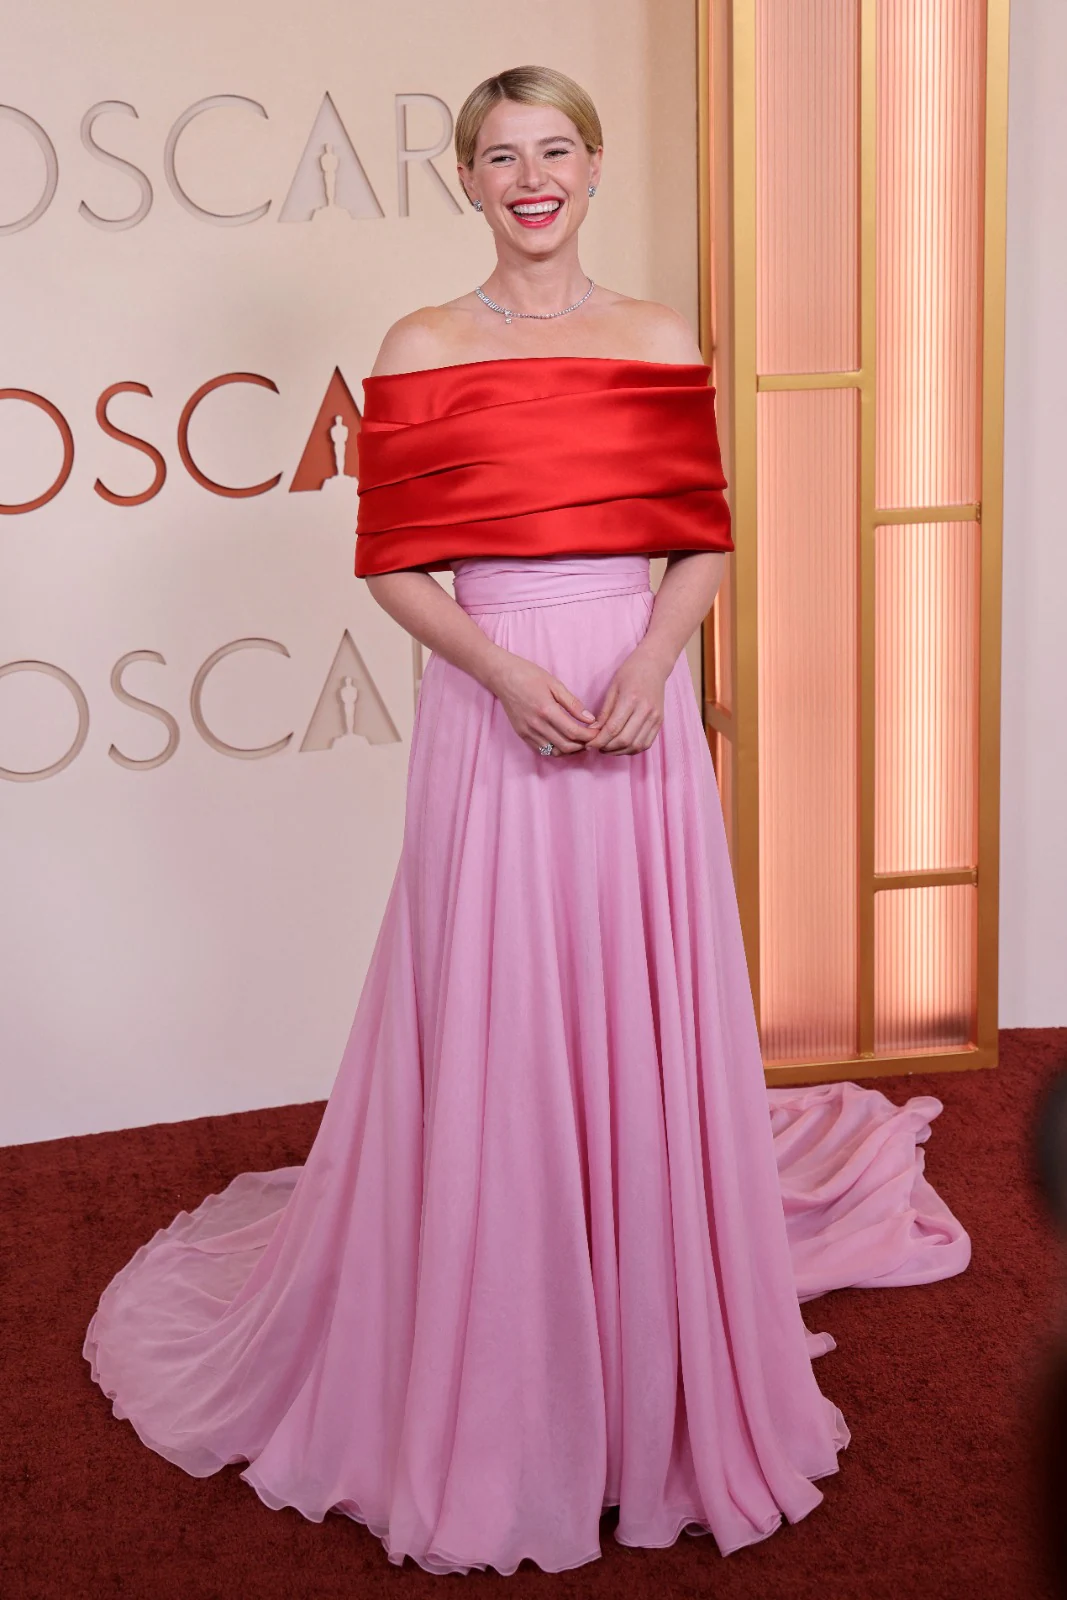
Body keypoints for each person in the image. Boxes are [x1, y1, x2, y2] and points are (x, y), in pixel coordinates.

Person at [83, 65, 969, 1577]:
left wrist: (651, 664)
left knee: (637, 1003)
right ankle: (498, 1368)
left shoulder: (648, 334)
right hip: (487, 715)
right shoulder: (422, 343)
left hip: (634, 706)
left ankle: (645, 1348)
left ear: (593, 164)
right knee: (493, 1010)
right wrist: (500, 674)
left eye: (553, 148)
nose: (530, 175)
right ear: (467, 179)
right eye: (501, 155)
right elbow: (392, 571)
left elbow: (700, 539)